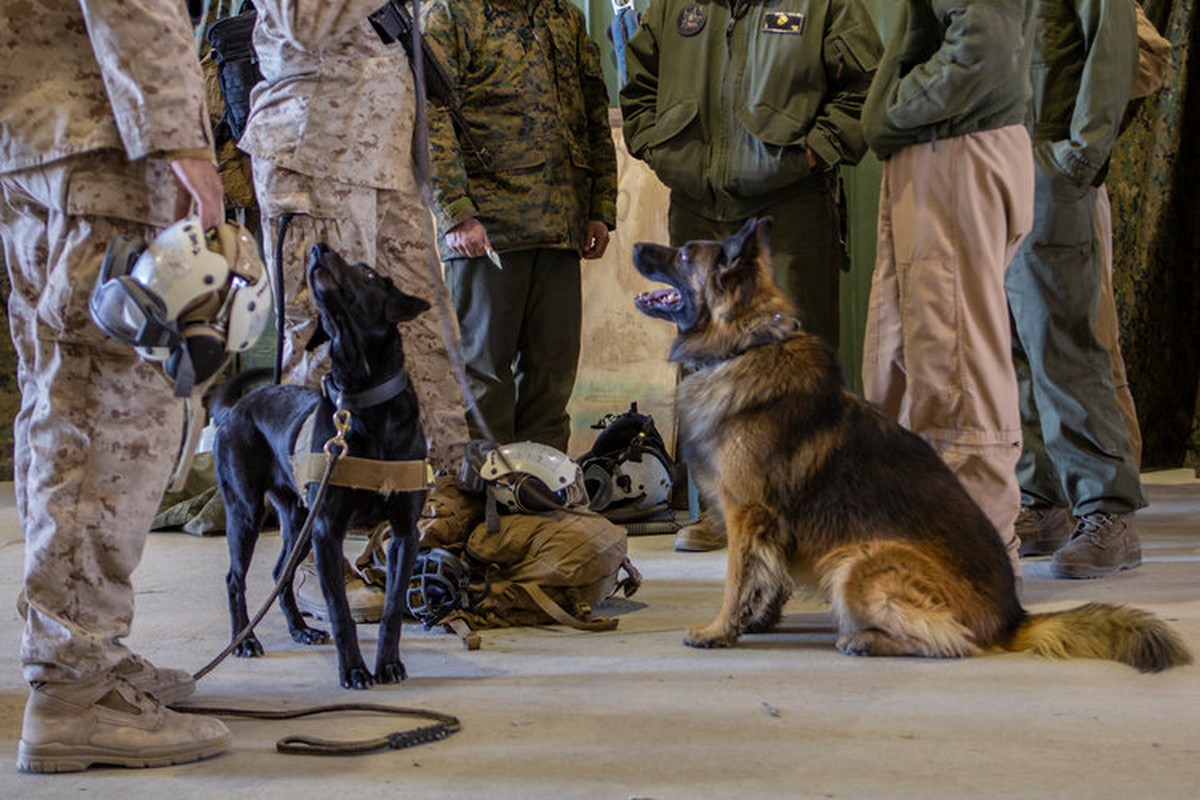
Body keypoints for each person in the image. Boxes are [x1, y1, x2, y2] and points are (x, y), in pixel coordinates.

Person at [1, 0, 232, 773]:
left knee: (59, 393)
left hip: (43, 124)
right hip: (100, 129)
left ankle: (81, 652)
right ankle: (73, 686)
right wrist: (177, 135)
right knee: (108, 409)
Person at [237, 1, 474, 618]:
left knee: (424, 349)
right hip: (314, 160)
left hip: (389, 171)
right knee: (323, 353)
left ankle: (424, 540)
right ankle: (320, 560)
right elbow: (302, 22)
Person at [619, 0, 882, 552]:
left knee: (796, 363)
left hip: (787, 209)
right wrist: (658, 146)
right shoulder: (674, 7)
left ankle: (815, 509)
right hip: (696, 206)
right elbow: (637, 82)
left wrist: (815, 152)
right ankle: (719, 511)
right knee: (701, 360)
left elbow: (864, 88)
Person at [860, 0, 1038, 578]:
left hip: (955, 146)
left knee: (954, 364)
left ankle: (973, 564)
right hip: (942, 146)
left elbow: (980, 41)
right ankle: (929, 546)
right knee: (911, 361)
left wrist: (895, 110)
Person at [418, 0, 618, 456]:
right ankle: (482, 498)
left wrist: (600, 204)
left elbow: (592, 106)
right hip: (487, 229)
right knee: (484, 376)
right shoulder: (450, 13)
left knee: (553, 374)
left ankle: (540, 494)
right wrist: (455, 211)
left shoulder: (563, 14)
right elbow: (429, 115)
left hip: (561, 223)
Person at [1006, 0, 1144, 579]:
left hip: (1047, 161)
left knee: (1063, 342)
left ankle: (1106, 511)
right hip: (995, 158)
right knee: (1013, 346)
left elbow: (1112, 51)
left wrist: (1077, 157)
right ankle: (1042, 501)